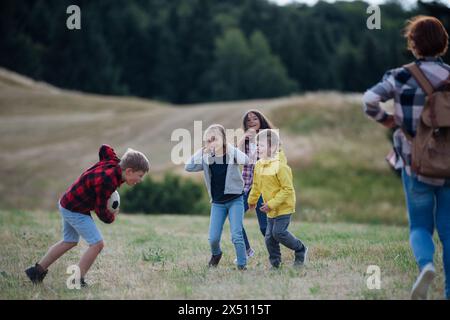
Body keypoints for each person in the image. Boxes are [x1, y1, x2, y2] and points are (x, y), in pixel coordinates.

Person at [363, 16, 450, 299]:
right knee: (449, 231)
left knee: (420, 226)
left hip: (414, 162)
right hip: (449, 165)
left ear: (413, 44)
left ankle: (426, 266)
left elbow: (369, 100)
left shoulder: (400, 75)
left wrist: (387, 119)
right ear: (443, 44)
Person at [25, 144, 150, 287]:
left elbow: (104, 148)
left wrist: (121, 159)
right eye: (139, 176)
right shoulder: (108, 181)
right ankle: (76, 280)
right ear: (128, 171)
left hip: (68, 202)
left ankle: (36, 271)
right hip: (75, 209)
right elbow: (100, 209)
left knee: (69, 241)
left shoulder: (113, 163)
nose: (140, 180)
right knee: (97, 244)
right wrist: (112, 216)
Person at [185, 124, 249, 270]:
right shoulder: (208, 158)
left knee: (236, 235)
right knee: (213, 238)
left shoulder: (232, 155)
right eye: (207, 141)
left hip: (235, 200)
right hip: (218, 203)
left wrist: (229, 146)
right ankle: (216, 254)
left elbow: (245, 160)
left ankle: (242, 265)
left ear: (223, 139)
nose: (210, 143)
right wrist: (202, 151)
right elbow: (188, 167)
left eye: (214, 139)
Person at [248, 129, 307, 268]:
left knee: (278, 233)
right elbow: (256, 185)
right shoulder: (258, 165)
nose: (257, 148)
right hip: (270, 208)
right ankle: (276, 264)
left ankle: (300, 249)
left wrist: (272, 204)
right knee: (269, 238)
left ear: (273, 147)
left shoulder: (281, 166)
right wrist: (252, 200)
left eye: (261, 145)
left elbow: (288, 189)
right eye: (257, 145)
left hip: (284, 207)